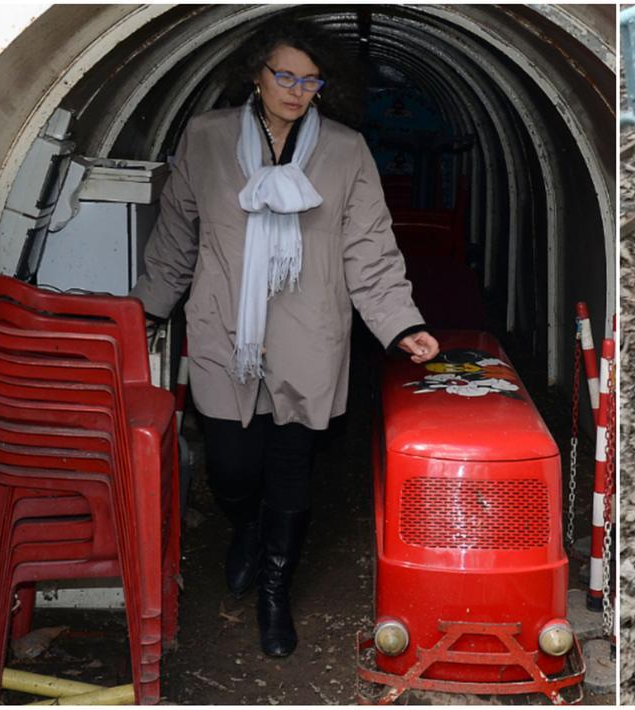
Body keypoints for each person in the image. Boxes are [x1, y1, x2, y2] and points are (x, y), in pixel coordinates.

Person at [130, 20, 439, 657]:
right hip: (226, 329)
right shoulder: (207, 138)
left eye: (310, 79)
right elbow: (176, 236)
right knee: (233, 465)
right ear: (255, 73)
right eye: (285, 75)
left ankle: (276, 591)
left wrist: (401, 323)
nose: (298, 90)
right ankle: (245, 527)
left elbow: (369, 247)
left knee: (293, 469)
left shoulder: (347, 150)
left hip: (310, 330)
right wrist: (146, 311)